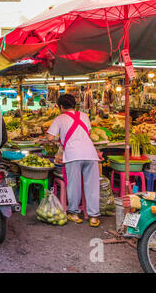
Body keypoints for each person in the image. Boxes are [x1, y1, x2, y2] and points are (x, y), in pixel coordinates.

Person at [46, 94, 102, 227]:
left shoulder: (60, 118)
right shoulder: (84, 116)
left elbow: (49, 137)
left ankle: (74, 213)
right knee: (92, 186)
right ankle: (93, 217)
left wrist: (56, 135)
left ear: (61, 106)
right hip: (90, 154)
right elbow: (86, 132)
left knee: (74, 185)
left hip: (73, 155)